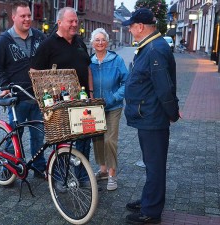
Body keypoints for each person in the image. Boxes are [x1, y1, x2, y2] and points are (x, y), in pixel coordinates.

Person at [121, 8, 180, 224]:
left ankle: (151, 211)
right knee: (150, 162)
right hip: (147, 115)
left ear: (140, 27)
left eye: (131, 25)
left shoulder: (154, 49)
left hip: (152, 117)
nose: (129, 28)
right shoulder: (150, 46)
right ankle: (149, 199)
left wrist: (172, 113)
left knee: (154, 165)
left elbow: (164, 87)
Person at [31, 7, 93, 184]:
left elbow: (88, 70)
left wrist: (90, 93)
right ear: (60, 22)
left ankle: (81, 175)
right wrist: (44, 101)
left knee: (84, 140)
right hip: (59, 103)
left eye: (76, 21)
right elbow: (34, 72)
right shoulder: (47, 45)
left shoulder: (80, 42)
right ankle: (60, 177)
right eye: (71, 21)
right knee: (62, 141)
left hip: (81, 100)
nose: (75, 24)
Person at [0, 1, 47, 178]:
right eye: (23, 16)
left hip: (38, 97)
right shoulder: (3, 41)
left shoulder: (39, 37)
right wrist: (5, 85)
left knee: (38, 135)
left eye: (29, 15)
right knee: (14, 135)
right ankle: (9, 166)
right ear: (13, 17)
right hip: (17, 99)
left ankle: (39, 167)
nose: (27, 19)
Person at [89, 28, 128, 191]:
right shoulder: (89, 62)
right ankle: (103, 170)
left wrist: (113, 98)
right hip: (95, 107)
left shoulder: (116, 60)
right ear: (92, 43)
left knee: (110, 140)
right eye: (97, 40)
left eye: (102, 40)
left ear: (107, 42)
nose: (100, 43)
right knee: (97, 139)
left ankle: (112, 174)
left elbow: (126, 82)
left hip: (113, 106)